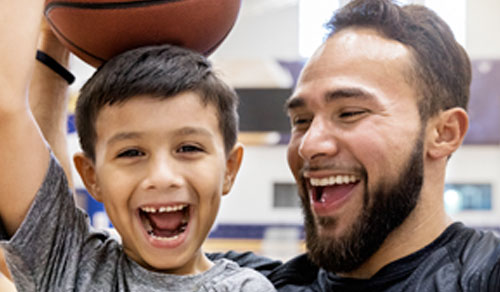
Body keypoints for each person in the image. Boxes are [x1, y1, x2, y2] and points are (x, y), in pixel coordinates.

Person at [211, 0, 500, 290]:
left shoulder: (485, 274)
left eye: (349, 113)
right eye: (301, 120)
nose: (309, 145)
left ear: (444, 133)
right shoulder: (253, 283)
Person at [0, 1, 275, 291]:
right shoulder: (71, 263)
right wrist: (53, 39)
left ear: (229, 168)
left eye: (189, 148)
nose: (162, 177)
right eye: (131, 152)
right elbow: (6, 109)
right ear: (91, 177)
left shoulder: (245, 288)